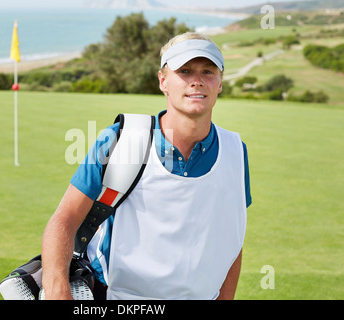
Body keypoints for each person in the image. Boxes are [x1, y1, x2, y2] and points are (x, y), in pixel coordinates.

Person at [41, 32, 251, 300]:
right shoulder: (121, 139)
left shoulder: (235, 150)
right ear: (163, 81)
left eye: (208, 71)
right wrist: (58, 291)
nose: (197, 81)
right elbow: (65, 218)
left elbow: (230, 236)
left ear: (219, 83)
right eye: (185, 71)